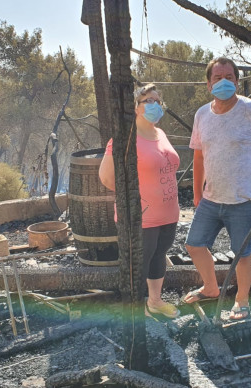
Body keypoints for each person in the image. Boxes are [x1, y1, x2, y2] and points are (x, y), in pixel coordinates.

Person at [182, 57, 251, 320]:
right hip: (211, 197)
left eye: (229, 77)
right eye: (217, 78)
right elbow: (198, 156)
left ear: (237, 81)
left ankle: (242, 301)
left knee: (242, 252)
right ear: (208, 85)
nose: (223, 82)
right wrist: (197, 193)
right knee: (194, 244)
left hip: (243, 199)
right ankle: (210, 288)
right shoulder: (202, 114)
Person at [98, 83, 181, 319]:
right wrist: (134, 197)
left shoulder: (160, 133)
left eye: (157, 101)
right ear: (136, 107)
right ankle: (135, 311)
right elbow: (106, 177)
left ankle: (154, 302)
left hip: (168, 212)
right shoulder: (124, 139)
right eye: (148, 101)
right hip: (140, 215)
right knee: (139, 262)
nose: (155, 105)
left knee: (158, 255)